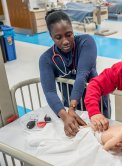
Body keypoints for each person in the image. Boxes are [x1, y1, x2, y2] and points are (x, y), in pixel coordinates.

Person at [39, 9, 108, 137]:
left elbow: (82, 75)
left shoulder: (86, 42)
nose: (65, 41)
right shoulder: (46, 59)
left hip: (94, 103)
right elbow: (49, 91)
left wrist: (71, 108)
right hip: (70, 107)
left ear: (72, 30)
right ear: (51, 36)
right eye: (58, 37)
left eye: (69, 34)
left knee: (101, 136)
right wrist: (65, 116)